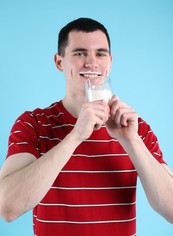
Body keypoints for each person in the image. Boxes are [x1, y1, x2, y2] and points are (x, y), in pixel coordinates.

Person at [0, 18, 173, 236]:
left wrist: (132, 141)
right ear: (59, 62)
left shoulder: (136, 128)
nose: (91, 62)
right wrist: (75, 136)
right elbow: (8, 208)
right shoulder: (33, 123)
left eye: (100, 54)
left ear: (109, 62)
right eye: (80, 53)